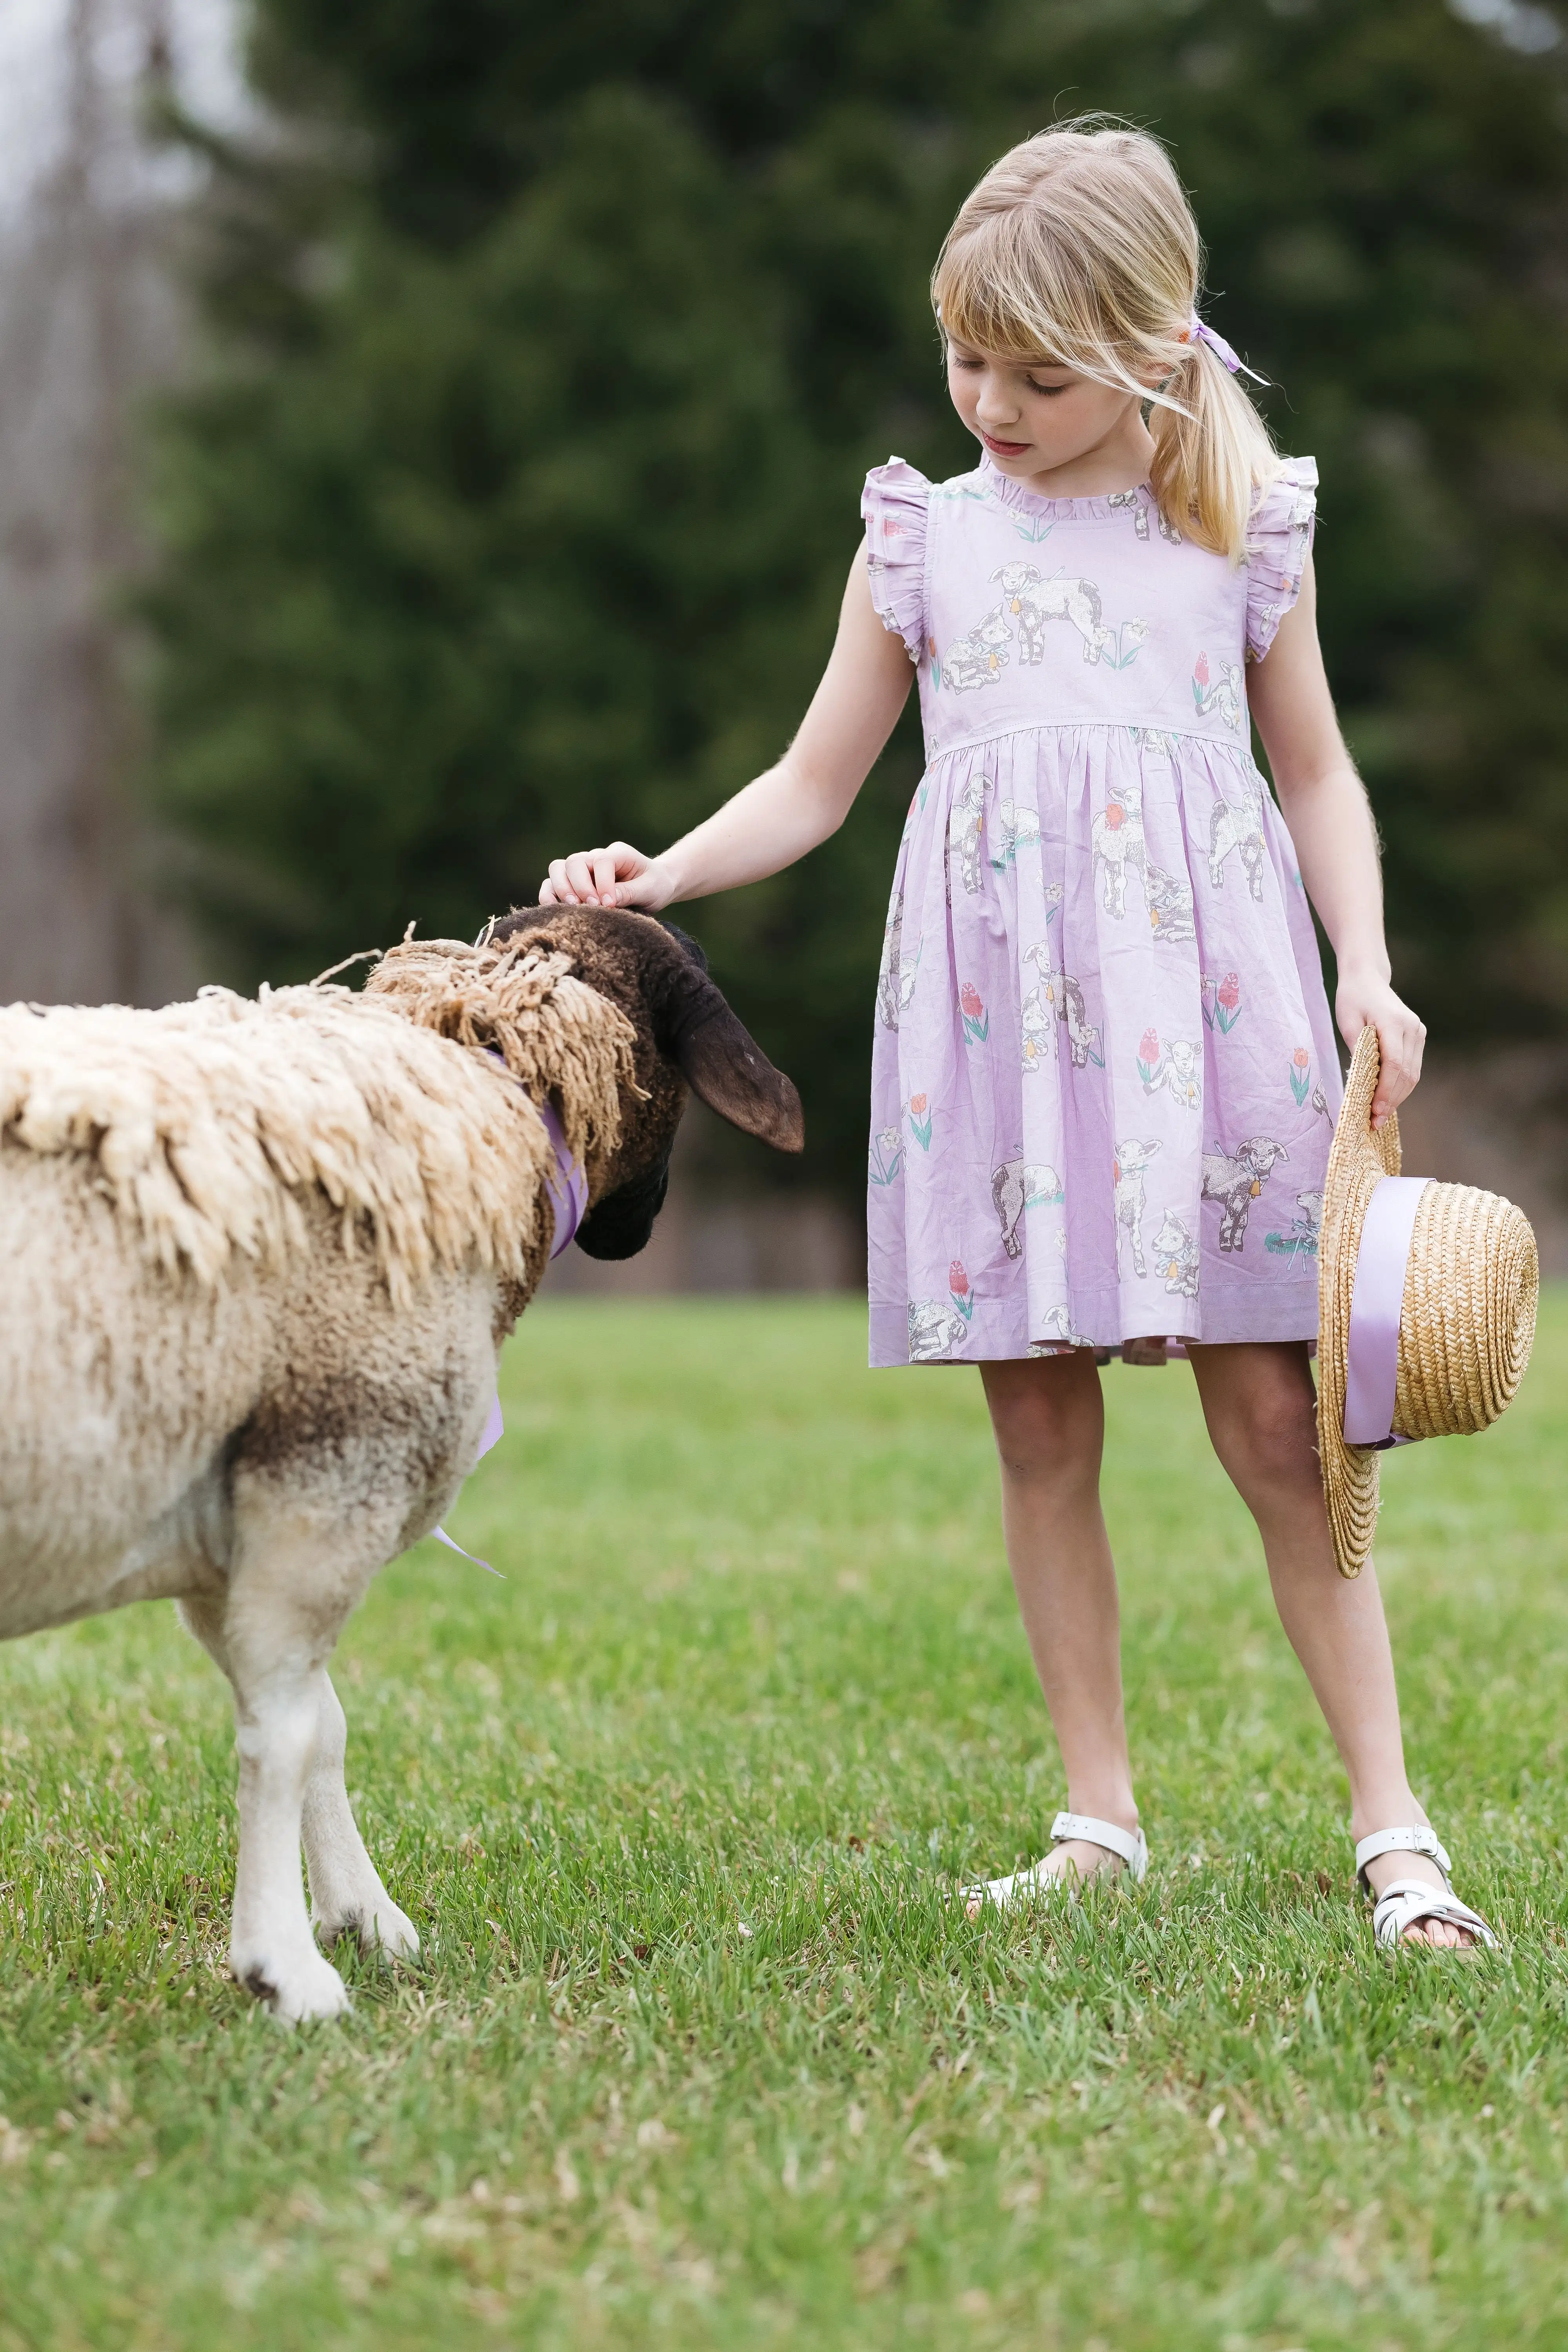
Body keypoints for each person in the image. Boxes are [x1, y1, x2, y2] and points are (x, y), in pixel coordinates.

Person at [540, 122, 1494, 1950]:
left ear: (1149, 347)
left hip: (1217, 1025)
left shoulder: (1240, 524)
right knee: (1040, 1427)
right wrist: (666, 870)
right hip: (1005, 1035)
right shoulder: (928, 539)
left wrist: (1368, 964)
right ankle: (1096, 1815)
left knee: (1283, 1430)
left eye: (1038, 373)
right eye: (966, 357)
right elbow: (816, 783)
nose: (991, 400)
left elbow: (1319, 773)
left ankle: (1396, 1829)